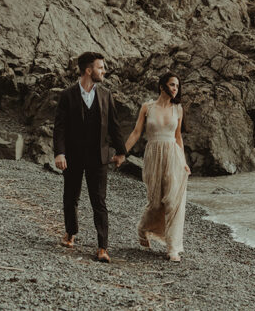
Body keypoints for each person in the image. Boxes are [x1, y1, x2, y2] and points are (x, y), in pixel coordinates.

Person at [53, 51, 126, 263]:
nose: (104, 71)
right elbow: (60, 127)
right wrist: (60, 152)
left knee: (99, 202)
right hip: (73, 156)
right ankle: (70, 232)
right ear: (88, 70)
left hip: (98, 158)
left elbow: (114, 125)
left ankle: (102, 247)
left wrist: (120, 151)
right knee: (70, 197)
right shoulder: (67, 95)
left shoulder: (105, 94)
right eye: (100, 67)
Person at [123, 72, 191, 261]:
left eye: (177, 86)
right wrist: (122, 153)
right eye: (172, 85)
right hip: (153, 155)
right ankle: (143, 228)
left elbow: (178, 137)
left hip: (173, 155)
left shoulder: (178, 109)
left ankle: (173, 248)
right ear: (162, 87)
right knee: (155, 202)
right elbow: (136, 133)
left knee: (172, 200)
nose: (175, 88)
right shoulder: (147, 107)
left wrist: (184, 162)